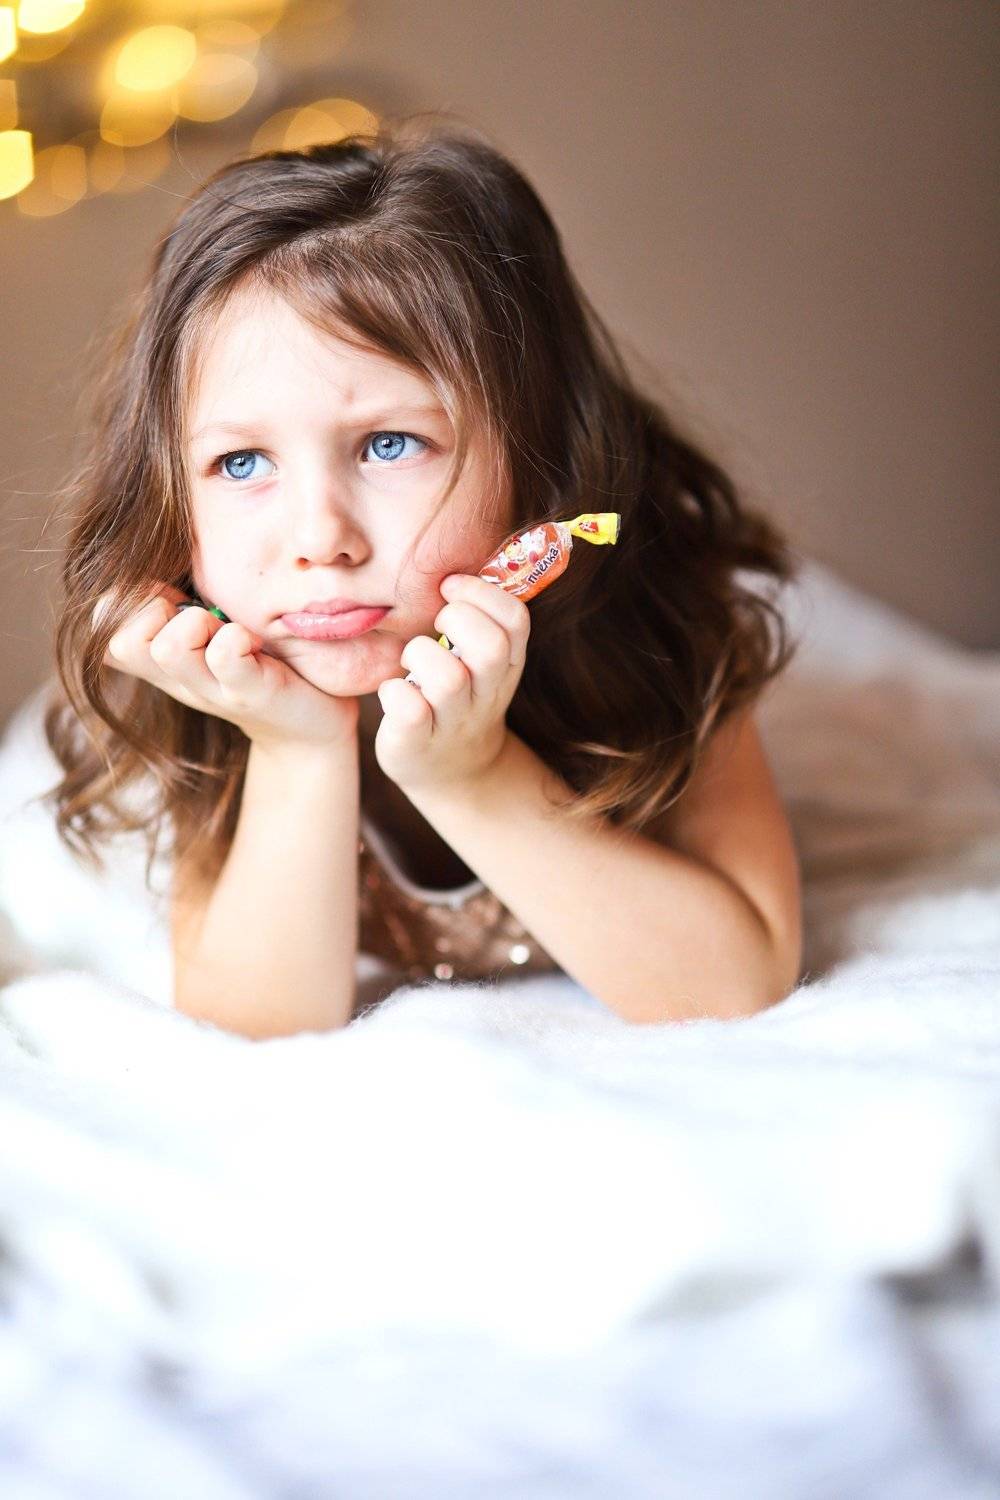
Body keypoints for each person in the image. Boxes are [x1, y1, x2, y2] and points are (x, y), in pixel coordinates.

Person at [39, 117, 804, 1040]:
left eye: (390, 445)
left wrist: (473, 773)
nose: (319, 540)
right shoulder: (216, 681)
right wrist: (294, 747)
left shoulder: (663, 619)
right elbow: (258, 1026)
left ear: (540, 461)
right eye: (241, 463)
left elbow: (743, 981)